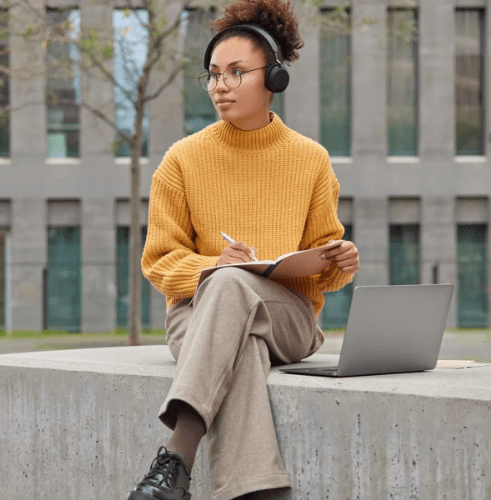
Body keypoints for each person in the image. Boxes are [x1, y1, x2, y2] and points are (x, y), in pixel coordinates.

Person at [127, 0, 359, 499]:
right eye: (212, 75)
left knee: (235, 287)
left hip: (289, 317)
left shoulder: (310, 160)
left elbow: (323, 263)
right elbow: (159, 260)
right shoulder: (182, 160)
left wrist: (339, 262)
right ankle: (257, 490)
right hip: (196, 314)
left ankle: (175, 459)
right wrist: (213, 265)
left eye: (235, 73)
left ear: (273, 79)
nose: (219, 86)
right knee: (240, 333)